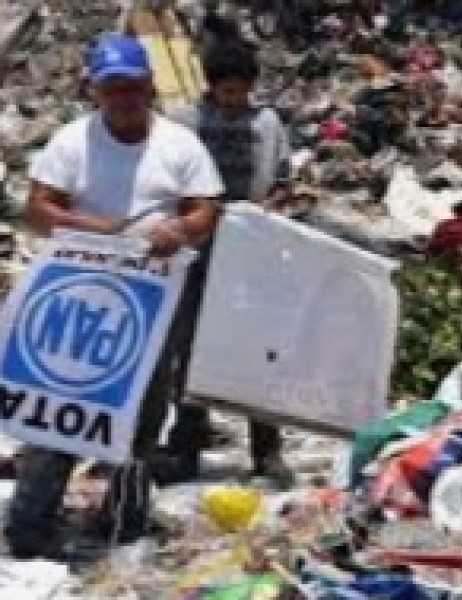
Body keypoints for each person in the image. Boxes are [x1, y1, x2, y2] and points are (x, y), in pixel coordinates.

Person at [4, 33, 224, 559]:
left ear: (150, 86)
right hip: (80, 296)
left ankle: (123, 518)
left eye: (133, 87)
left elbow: (207, 209)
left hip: (152, 297)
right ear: (96, 93)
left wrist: (181, 230)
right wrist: (93, 228)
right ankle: (31, 524)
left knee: (141, 410)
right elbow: (37, 209)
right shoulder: (72, 141)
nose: (125, 98)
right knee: (60, 401)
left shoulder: (179, 144)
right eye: (113, 90)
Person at [163, 39, 294, 485]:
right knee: (191, 345)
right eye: (226, 92)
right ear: (211, 88)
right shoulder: (184, 122)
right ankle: (186, 446)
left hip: (251, 248)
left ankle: (266, 450)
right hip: (196, 246)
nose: (235, 100)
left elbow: (281, 180)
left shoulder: (269, 123)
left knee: (260, 346)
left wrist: (267, 208)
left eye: (242, 92)